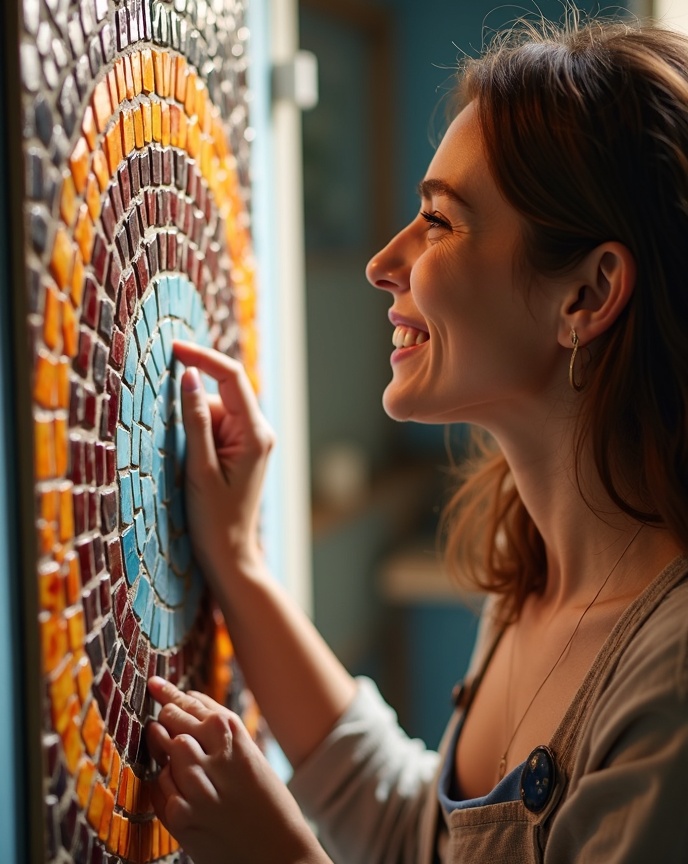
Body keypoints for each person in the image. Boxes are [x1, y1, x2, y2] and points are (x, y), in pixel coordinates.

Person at [145, 12, 688, 863]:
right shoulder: (535, 571)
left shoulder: (673, 687)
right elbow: (424, 839)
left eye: (439, 221)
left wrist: (277, 853)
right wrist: (238, 560)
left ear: (586, 295)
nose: (382, 261)